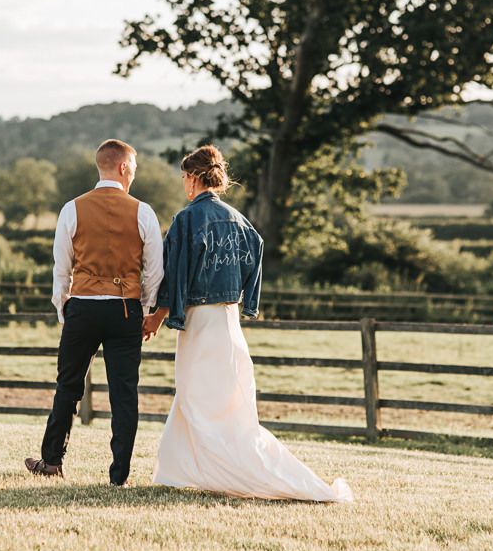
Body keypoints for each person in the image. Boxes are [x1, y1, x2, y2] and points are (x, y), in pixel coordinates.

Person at [143, 145, 352, 502]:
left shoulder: (186, 220)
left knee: (198, 397)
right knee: (214, 401)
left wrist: (157, 318)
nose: (183, 185)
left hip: (200, 322)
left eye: (183, 178)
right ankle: (179, 471)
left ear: (192, 177)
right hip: (228, 321)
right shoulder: (241, 222)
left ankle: (220, 469)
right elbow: (255, 257)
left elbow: (174, 276)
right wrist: (248, 302)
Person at [24, 139, 163, 487]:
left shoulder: (72, 209)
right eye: (133, 168)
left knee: (68, 386)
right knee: (124, 392)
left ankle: (52, 461)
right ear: (122, 167)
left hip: (83, 308)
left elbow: (61, 268)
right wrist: (143, 308)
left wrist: (65, 309)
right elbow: (155, 270)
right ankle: (119, 477)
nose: (133, 174)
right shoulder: (142, 211)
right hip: (125, 309)